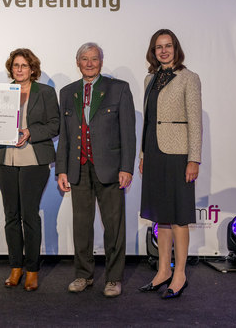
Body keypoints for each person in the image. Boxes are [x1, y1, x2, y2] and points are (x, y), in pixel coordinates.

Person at [55, 42, 136, 298]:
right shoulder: (68, 92)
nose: (89, 63)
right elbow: (66, 136)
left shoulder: (118, 89)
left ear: (101, 61)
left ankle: (113, 278)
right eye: (84, 59)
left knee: (114, 226)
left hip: (110, 169)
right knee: (81, 226)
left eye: (95, 59)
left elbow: (128, 134)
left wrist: (126, 167)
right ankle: (83, 275)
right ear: (77, 62)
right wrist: (62, 170)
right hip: (78, 169)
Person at [138, 29, 202, 299]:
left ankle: (180, 274)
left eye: (168, 46)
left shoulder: (189, 78)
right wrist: (142, 155)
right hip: (153, 152)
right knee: (160, 218)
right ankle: (163, 270)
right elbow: (149, 120)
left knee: (178, 217)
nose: (163, 51)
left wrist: (194, 159)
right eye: (158, 47)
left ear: (176, 48)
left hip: (178, 154)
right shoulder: (150, 79)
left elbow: (195, 121)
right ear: (153, 51)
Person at [0, 48, 59, 291]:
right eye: (16, 65)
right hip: (5, 158)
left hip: (34, 159)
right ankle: (15, 267)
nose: (19, 69)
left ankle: (32, 269)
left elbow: (55, 125)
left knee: (29, 216)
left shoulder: (46, 92)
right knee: (11, 216)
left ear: (33, 69)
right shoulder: (0, 92)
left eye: (24, 65)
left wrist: (31, 132)